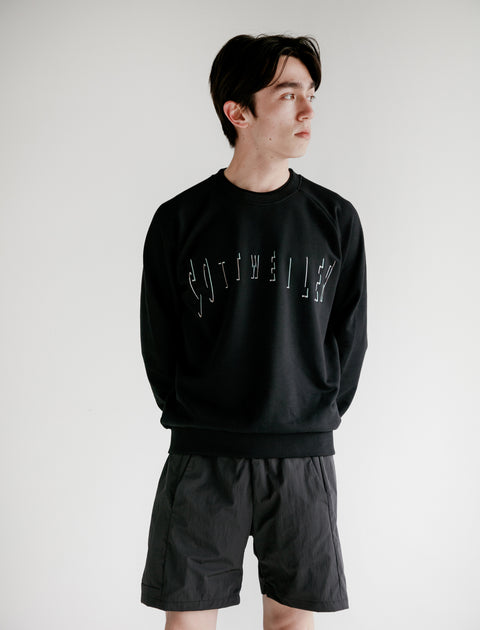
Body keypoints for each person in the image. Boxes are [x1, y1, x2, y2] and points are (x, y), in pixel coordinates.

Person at [140, 34, 367, 630]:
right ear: (237, 112)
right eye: (288, 95)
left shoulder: (334, 220)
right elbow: (159, 342)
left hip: (302, 457)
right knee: (189, 621)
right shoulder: (180, 220)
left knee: (292, 620)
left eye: (311, 94)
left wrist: (312, 415)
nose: (308, 110)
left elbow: (350, 338)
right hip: (202, 456)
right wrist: (194, 416)